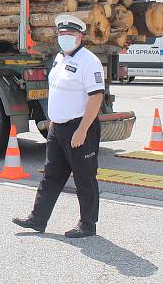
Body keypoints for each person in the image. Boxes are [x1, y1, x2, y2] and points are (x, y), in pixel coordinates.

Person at [13, 14, 105, 238]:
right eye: (62, 34)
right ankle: (38, 219)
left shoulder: (89, 61)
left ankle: (87, 224)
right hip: (58, 128)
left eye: (70, 35)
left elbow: (96, 97)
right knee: (51, 175)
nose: (65, 38)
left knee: (84, 177)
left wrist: (82, 130)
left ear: (80, 37)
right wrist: (53, 120)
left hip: (79, 128)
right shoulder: (59, 58)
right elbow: (58, 91)